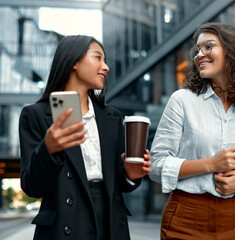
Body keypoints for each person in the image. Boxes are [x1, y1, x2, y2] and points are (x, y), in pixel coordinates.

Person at [149, 23, 235, 239]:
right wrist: (211, 164)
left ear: (232, 51)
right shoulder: (182, 101)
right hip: (186, 218)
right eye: (197, 50)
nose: (199, 55)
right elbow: (156, 165)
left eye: (208, 47)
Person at [19, 35, 152, 240]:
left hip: (110, 223)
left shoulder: (112, 117)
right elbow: (32, 187)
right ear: (74, 62)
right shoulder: (35, 115)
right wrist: (49, 149)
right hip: (64, 224)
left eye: (105, 60)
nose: (106, 67)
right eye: (98, 58)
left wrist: (131, 174)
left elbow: (120, 183)